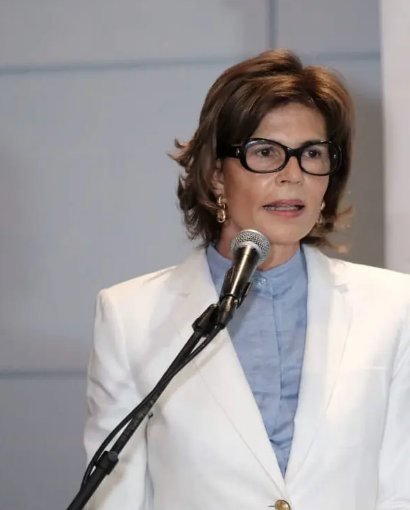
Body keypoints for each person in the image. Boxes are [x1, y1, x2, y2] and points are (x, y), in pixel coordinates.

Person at [84, 50, 410, 510]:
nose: (293, 175)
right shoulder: (130, 318)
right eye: (265, 153)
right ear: (217, 174)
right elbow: (115, 499)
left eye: (312, 154)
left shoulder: (394, 307)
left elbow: (401, 489)